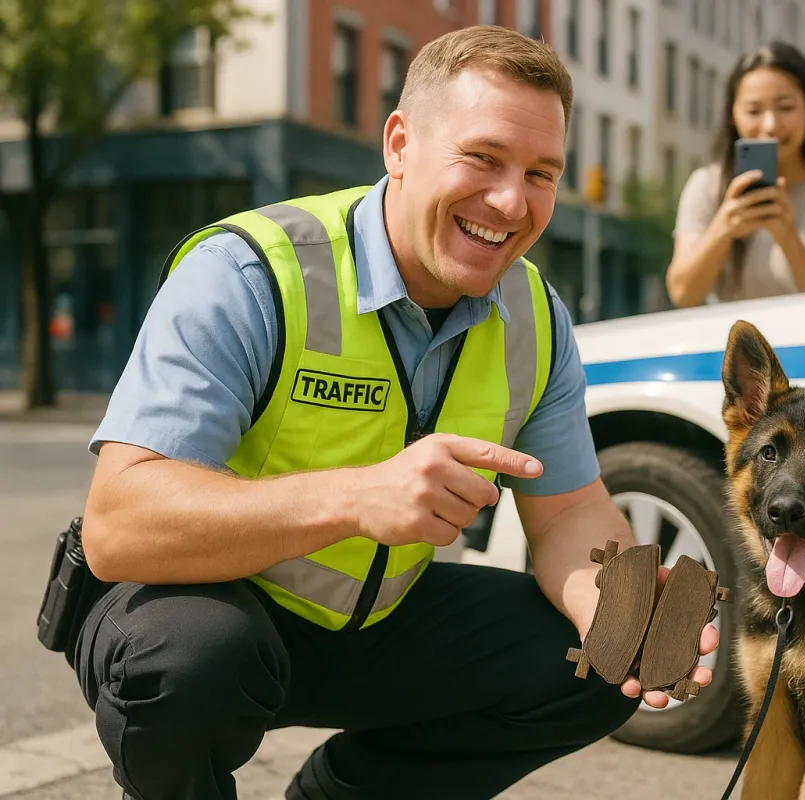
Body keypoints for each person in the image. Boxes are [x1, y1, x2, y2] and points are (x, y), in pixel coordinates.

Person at [71, 26, 717, 800]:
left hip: (374, 623)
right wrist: (354, 496)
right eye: (482, 158)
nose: (511, 202)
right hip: (204, 612)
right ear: (400, 143)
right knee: (192, 661)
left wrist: (618, 616)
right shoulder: (249, 272)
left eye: (541, 173)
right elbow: (118, 525)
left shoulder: (538, 317)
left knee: (584, 665)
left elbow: (573, 512)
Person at [665, 42, 805, 307]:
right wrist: (723, 228)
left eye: (785, 108)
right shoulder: (706, 186)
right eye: (753, 111)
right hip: (733, 344)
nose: (770, 125)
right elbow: (683, 295)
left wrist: (787, 237)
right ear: (732, 115)